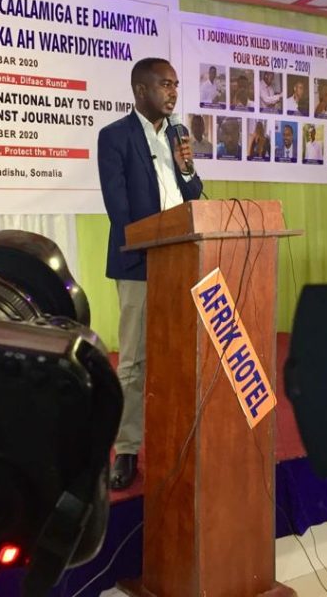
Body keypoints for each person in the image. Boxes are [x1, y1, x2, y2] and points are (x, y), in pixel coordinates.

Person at [98, 58, 203, 490]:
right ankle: (125, 450)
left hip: (179, 262)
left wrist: (188, 167)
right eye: (165, 85)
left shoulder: (178, 136)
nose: (173, 92)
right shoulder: (114, 137)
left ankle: (174, 438)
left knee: (178, 356)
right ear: (141, 91)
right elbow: (118, 208)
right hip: (140, 263)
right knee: (135, 361)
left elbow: (193, 193)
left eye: (176, 85)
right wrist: (150, 245)